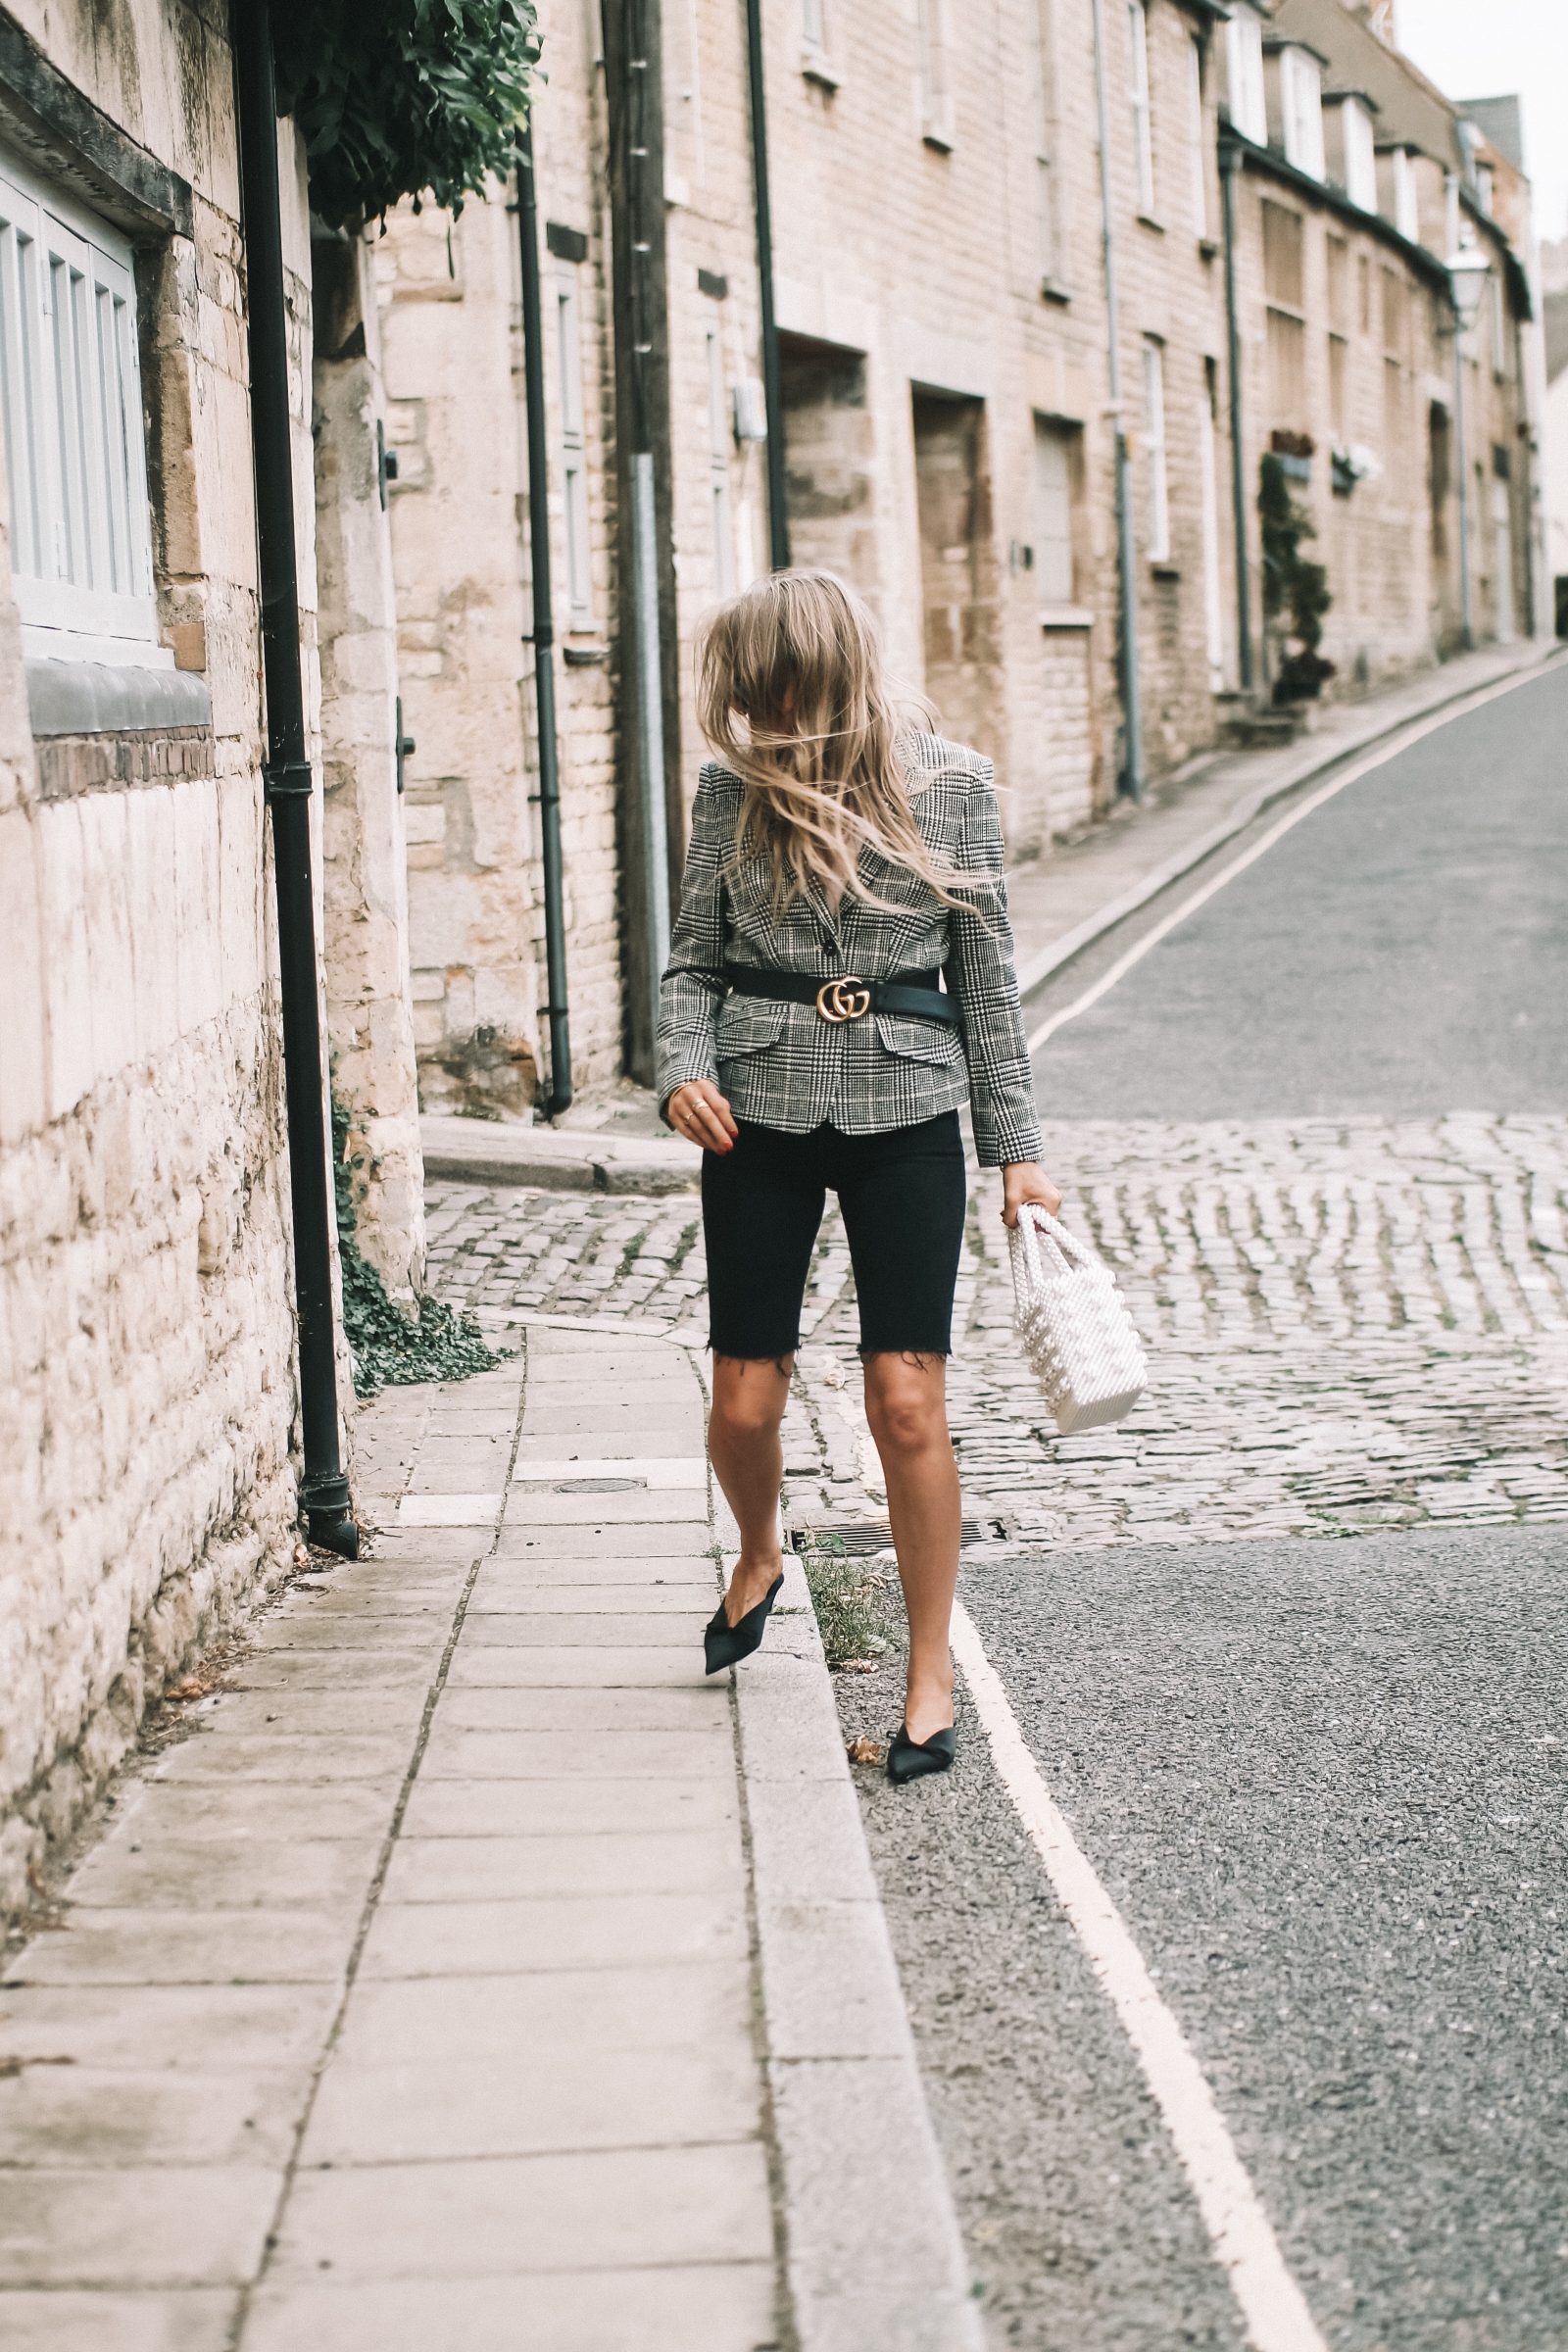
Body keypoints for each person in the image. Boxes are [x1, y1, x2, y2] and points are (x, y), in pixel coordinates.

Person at [657, 569, 1059, 1785]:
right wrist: (683, 1068)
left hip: (907, 1111)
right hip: (758, 1114)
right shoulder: (729, 794)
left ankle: (927, 1676)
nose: (757, 710)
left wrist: (1018, 1154)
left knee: (905, 1401)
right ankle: (760, 1549)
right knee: (742, 1399)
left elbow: (985, 983)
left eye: (774, 687)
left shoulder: (955, 785)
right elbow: (690, 967)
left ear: (818, 673)